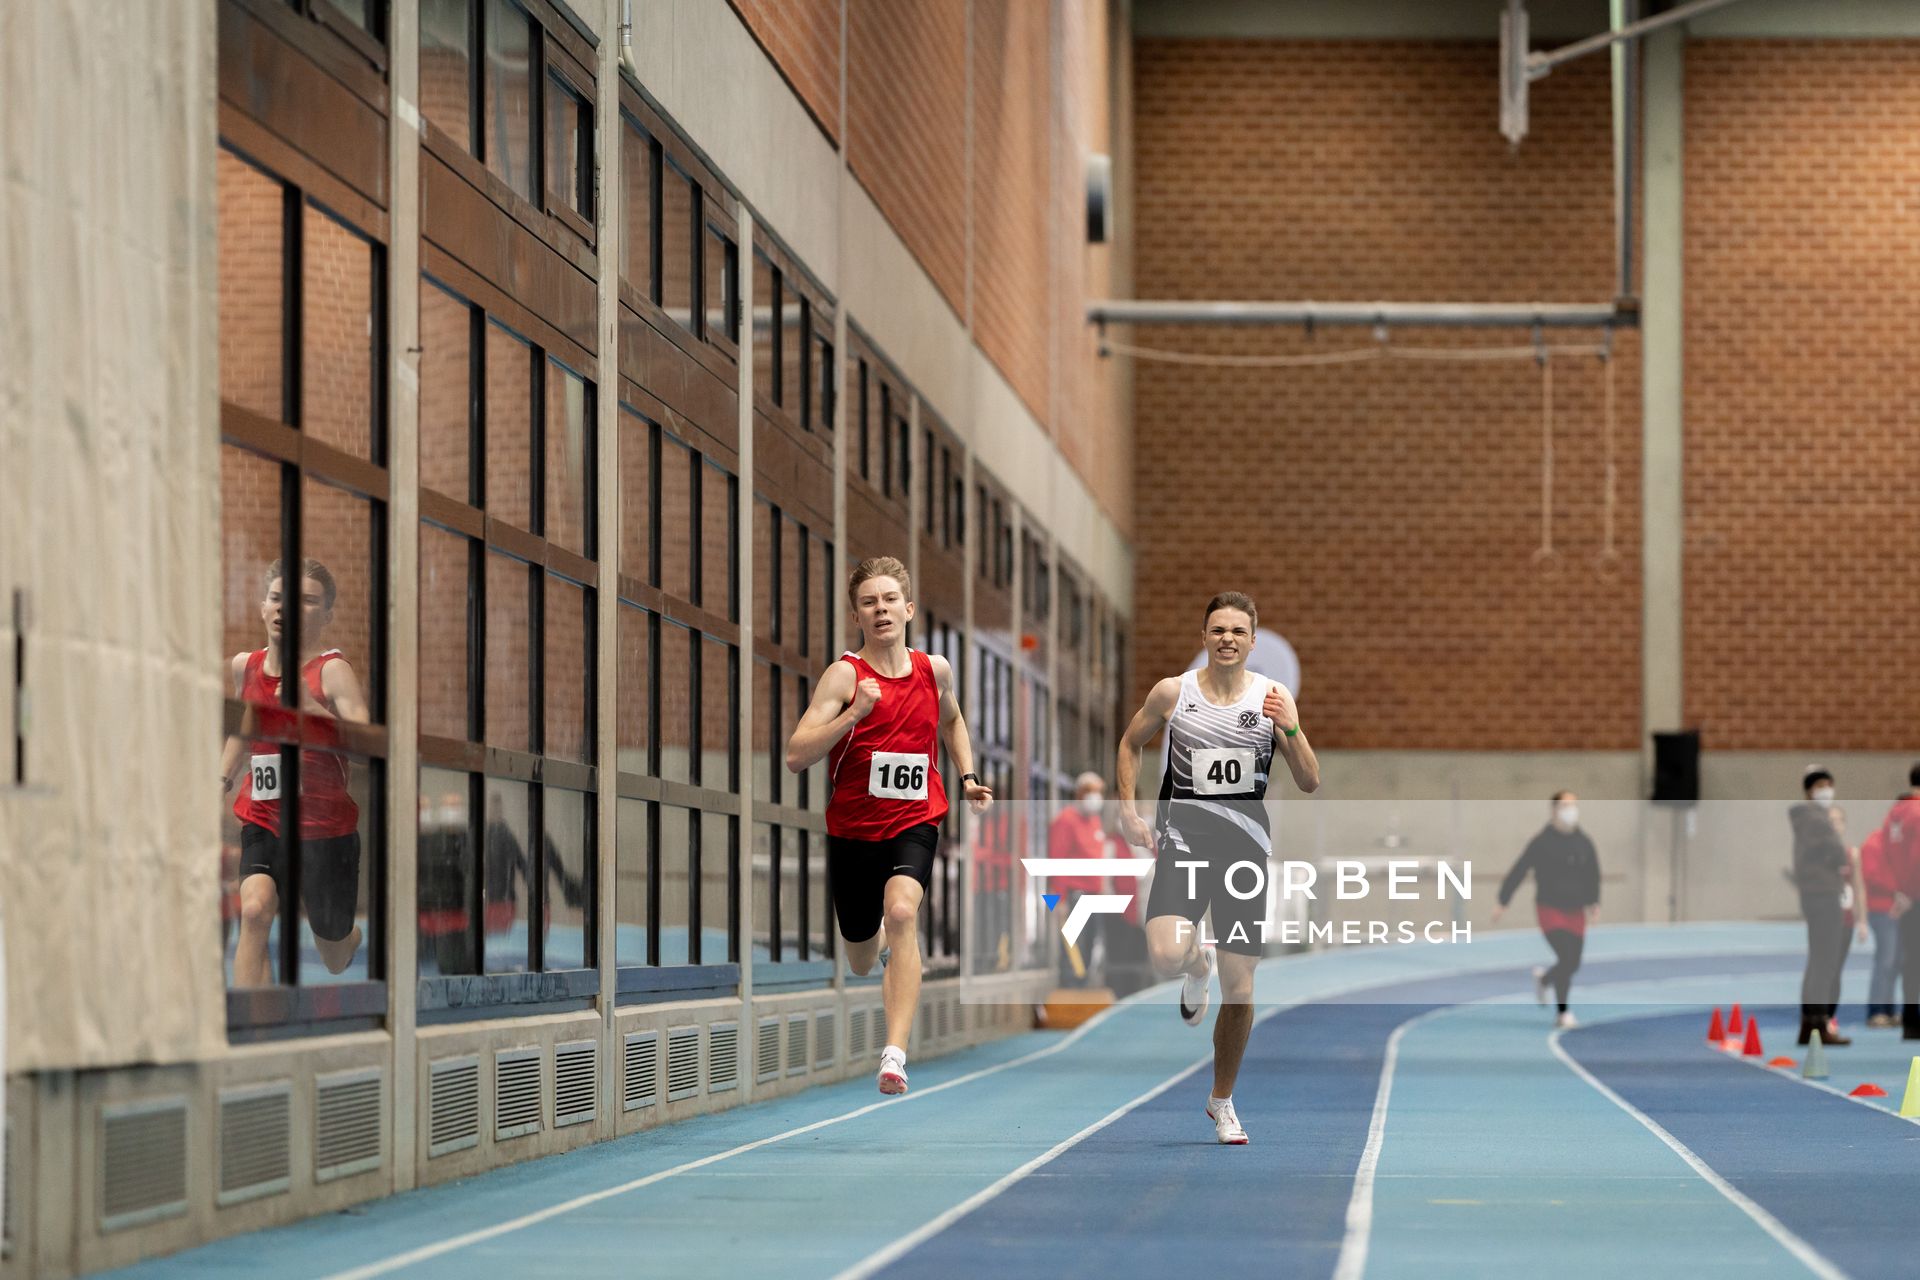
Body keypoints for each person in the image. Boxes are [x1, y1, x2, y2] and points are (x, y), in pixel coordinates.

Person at [1116, 591, 1319, 1145]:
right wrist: (1129, 809)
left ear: (1253, 642)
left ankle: (1222, 1100)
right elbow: (1131, 744)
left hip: (1245, 853)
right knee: (1163, 954)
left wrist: (1293, 731)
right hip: (1183, 842)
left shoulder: (1272, 700)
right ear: (1204, 637)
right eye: (1217, 630)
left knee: (1242, 986)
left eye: (1237, 631)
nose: (1227, 638)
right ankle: (1193, 966)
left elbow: (1309, 780)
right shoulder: (1172, 693)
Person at [785, 556, 993, 1095]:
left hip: (915, 820)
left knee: (903, 909)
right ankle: (875, 942)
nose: (881, 610)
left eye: (888, 600)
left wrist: (967, 775)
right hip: (854, 831)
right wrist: (852, 715)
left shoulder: (934, 670)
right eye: (869, 603)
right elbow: (795, 755)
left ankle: (894, 1054)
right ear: (857, 615)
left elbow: (951, 719)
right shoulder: (845, 675)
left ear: (908, 609)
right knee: (858, 957)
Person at [219, 559, 369, 986]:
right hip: (264, 816)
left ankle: (346, 938)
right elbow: (244, 730)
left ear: (326, 615)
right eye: (277, 598)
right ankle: (254, 1032)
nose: (287, 609)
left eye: (306, 600)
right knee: (254, 910)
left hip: (326, 830)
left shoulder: (333, 671)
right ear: (263, 607)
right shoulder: (244, 667)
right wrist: (221, 779)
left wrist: (311, 709)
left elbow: (365, 745)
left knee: (333, 954)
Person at [1491, 792, 1600, 1029]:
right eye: (1565, 806)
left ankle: (1545, 979)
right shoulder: (1542, 842)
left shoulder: (1583, 841)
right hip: (1550, 908)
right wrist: (1503, 900)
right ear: (1554, 810)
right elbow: (1520, 869)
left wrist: (1594, 901)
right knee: (1566, 957)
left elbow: (1592, 872)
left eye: (1573, 805)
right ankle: (1563, 1013)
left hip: (1576, 910)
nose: (1570, 810)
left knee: (1573, 964)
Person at [1789, 766, 1853, 1045]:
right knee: (1825, 962)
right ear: (1809, 790)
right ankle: (1818, 1024)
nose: (1827, 790)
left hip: (1813, 894)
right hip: (1824, 895)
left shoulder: (1805, 820)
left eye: (1830, 784)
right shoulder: (1817, 819)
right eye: (1821, 785)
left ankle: (1809, 1025)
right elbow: (1839, 854)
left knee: (1817, 961)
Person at [1048, 772, 1115, 984]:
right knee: (1073, 951)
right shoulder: (1066, 821)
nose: (1096, 797)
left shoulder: (1095, 821)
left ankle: (1082, 989)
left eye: (1099, 792)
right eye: (1091, 792)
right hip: (1075, 896)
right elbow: (1056, 860)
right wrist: (1059, 900)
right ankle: (1070, 994)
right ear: (1079, 793)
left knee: (1089, 949)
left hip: (1094, 896)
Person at [1873, 766, 1920, 1040]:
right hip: (1915, 894)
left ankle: (1911, 1019)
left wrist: (1898, 893)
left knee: (1910, 961)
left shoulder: (1895, 814)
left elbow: (1886, 855)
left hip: (1904, 896)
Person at [1860, 793, 1909, 1028]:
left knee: (1899, 961)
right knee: (1886, 959)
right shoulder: (1874, 843)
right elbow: (1873, 875)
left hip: (1902, 909)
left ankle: (1889, 1010)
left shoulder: (1900, 847)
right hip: (1882, 910)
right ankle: (1876, 1010)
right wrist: (1897, 892)